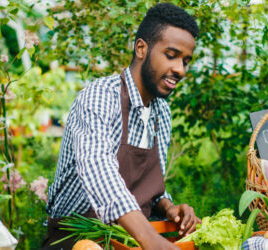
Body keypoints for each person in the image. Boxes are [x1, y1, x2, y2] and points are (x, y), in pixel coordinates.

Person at [42, 3, 200, 249]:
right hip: (77, 240)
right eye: (171, 55)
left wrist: (168, 207)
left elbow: (148, 189)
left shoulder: (162, 113)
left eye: (186, 61)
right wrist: (151, 239)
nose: (179, 69)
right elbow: (100, 171)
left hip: (130, 241)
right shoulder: (101, 97)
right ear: (141, 48)